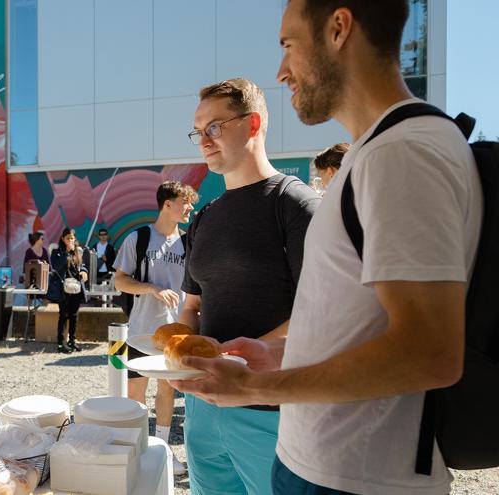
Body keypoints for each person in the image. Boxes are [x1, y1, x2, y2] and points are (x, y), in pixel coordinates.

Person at [171, 2, 482, 495]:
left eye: (289, 45)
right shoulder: (372, 152)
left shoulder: (404, 152)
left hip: (356, 476)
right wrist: (276, 353)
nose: (280, 71)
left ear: (339, 28)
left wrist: (253, 387)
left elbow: (430, 353)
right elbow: (355, 325)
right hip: (320, 463)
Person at [177, 78, 320, 495]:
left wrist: (237, 361)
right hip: (202, 407)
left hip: (271, 409)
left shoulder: (295, 204)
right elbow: (191, 307)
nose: (203, 140)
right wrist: (177, 354)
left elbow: (320, 314)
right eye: (197, 131)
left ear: (253, 123)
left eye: (215, 127)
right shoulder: (205, 217)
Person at [113, 180, 198, 477]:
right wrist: (151, 288)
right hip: (140, 328)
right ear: (167, 204)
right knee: (134, 390)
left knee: (168, 389)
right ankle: (140, 446)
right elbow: (119, 280)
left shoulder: (189, 241)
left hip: (176, 332)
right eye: (185, 201)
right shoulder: (138, 238)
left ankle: (162, 448)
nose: (190, 207)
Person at [48, 228, 88, 354]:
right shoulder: (57, 252)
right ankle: (60, 343)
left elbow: (83, 266)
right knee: (63, 315)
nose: (70, 241)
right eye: (68, 238)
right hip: (63, 288)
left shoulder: (78, 252)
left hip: (76, 287)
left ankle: (72, 341)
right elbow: (56, 266)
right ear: (62, 239)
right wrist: (66, 253)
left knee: (74, 315)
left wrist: (84, 272)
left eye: (72, 238)